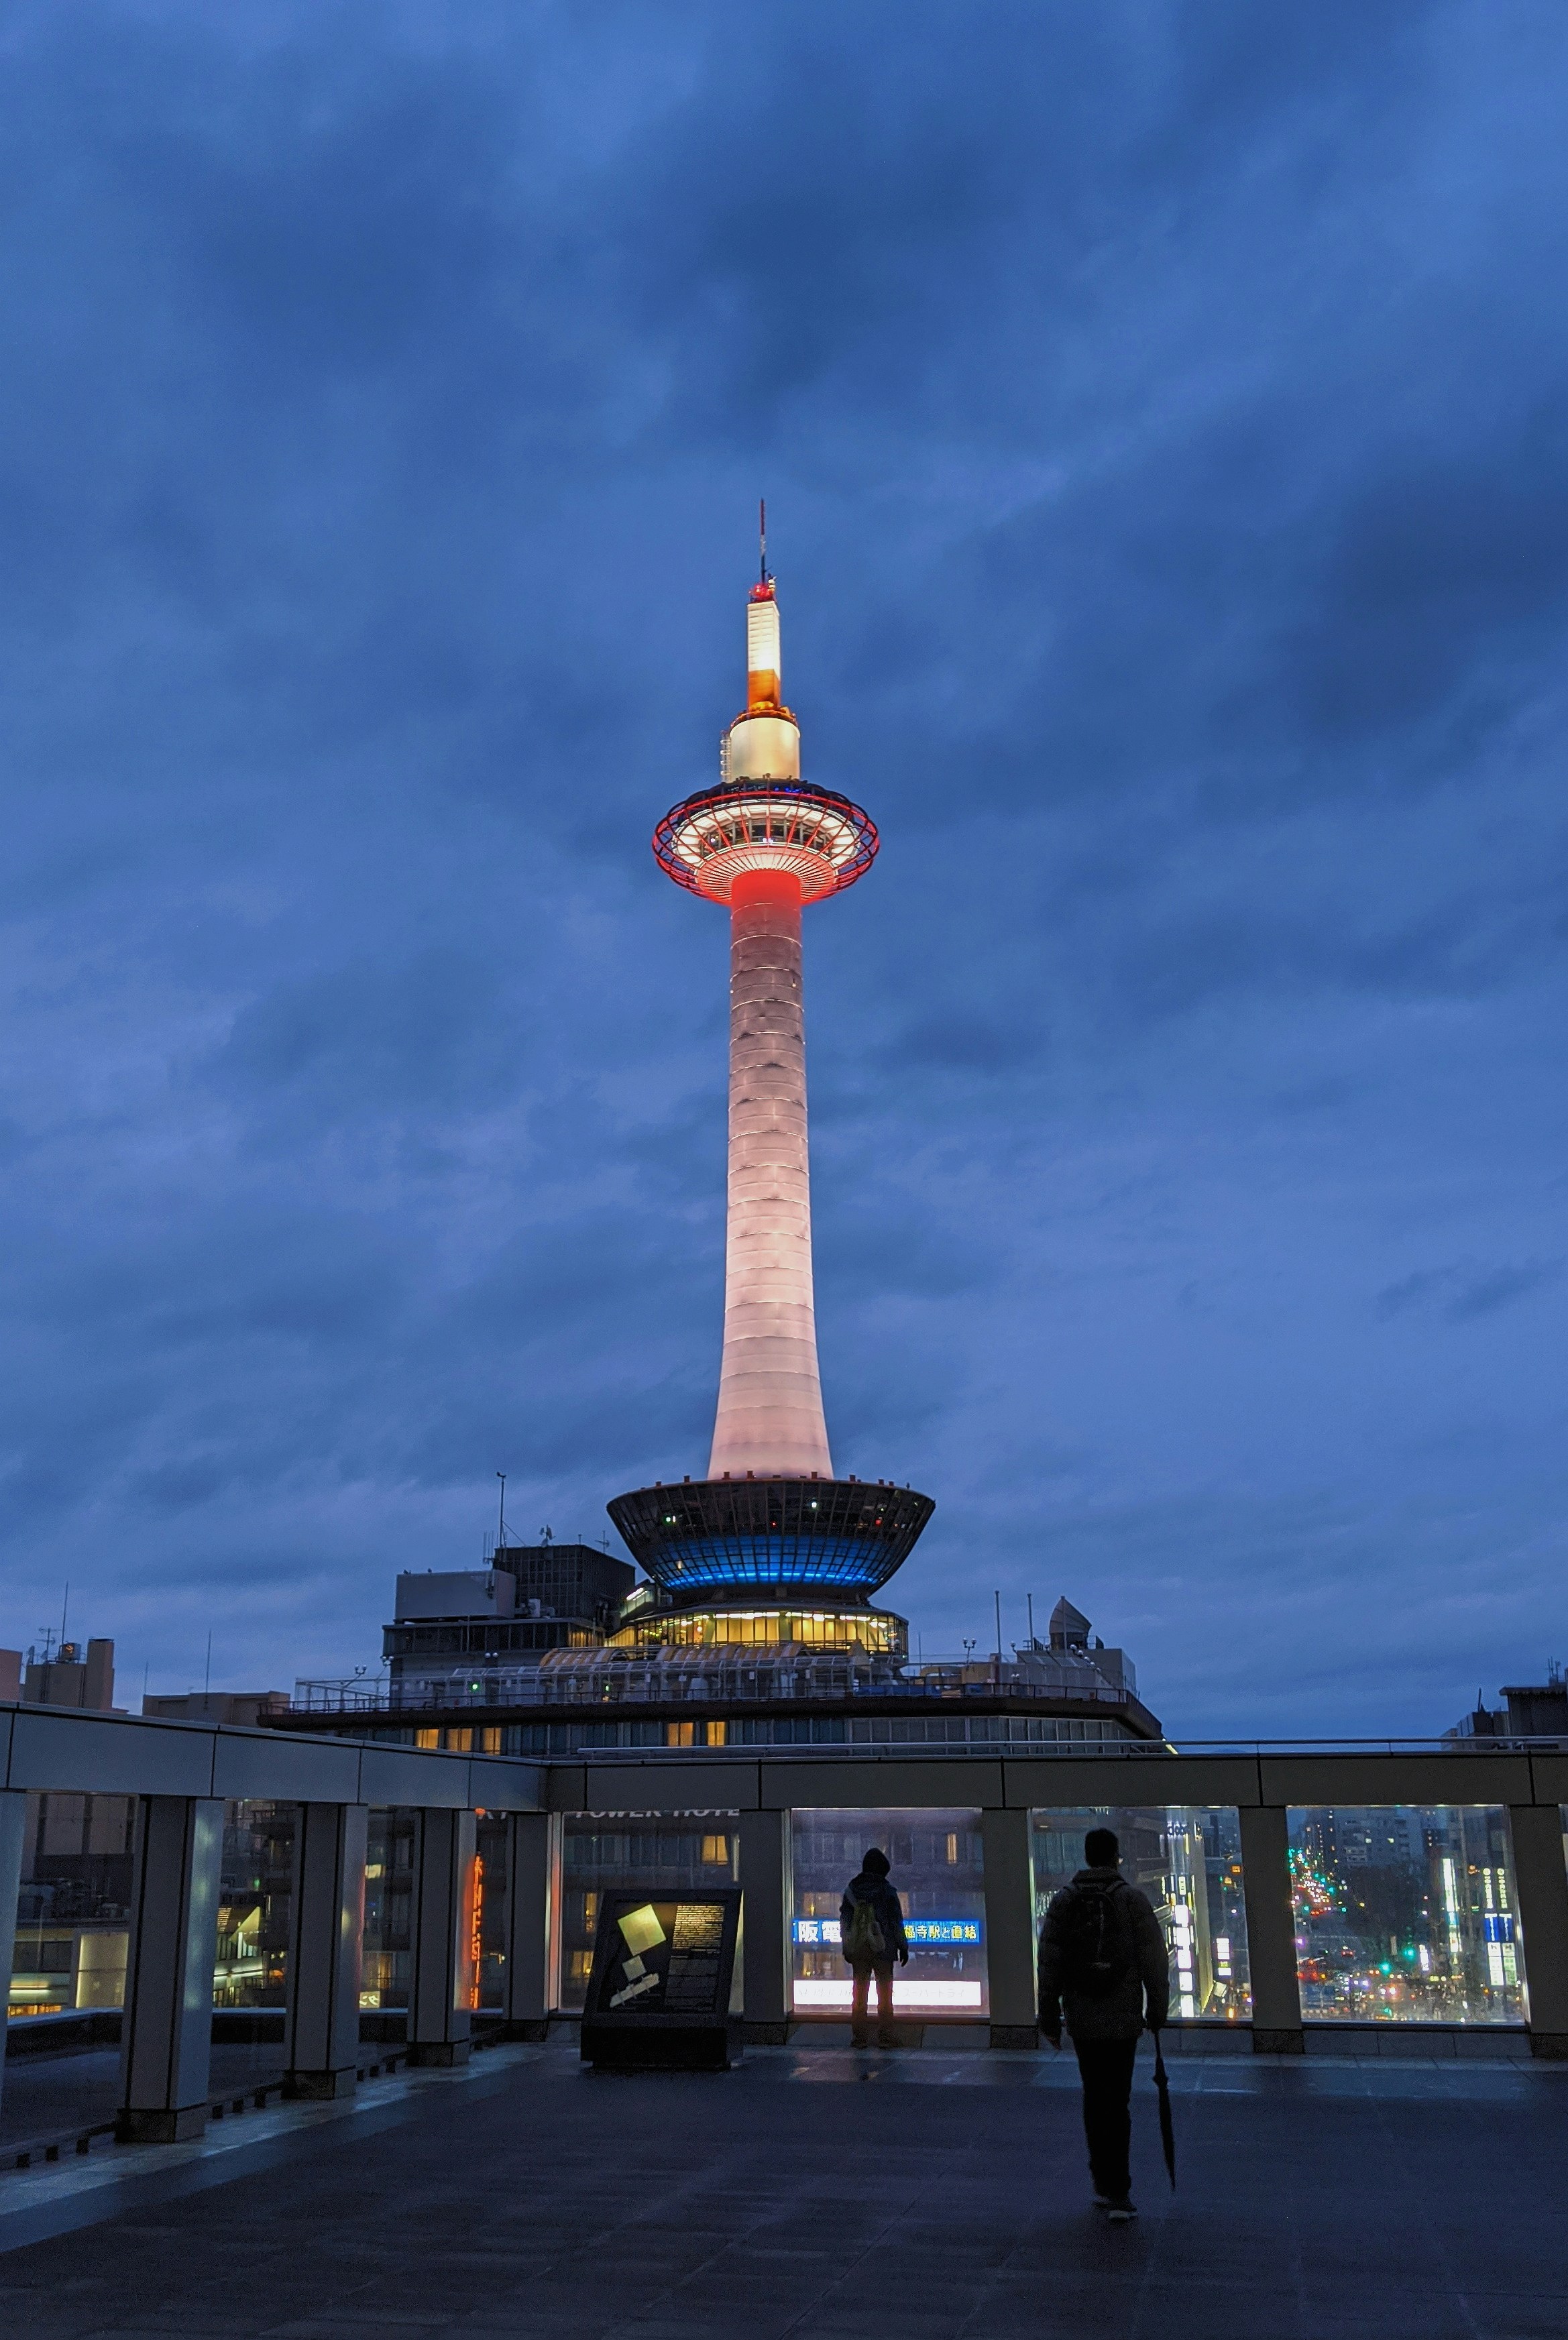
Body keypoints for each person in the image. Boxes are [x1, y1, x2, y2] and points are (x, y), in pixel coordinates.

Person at [1038, 1826, 1170, 2224]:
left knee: (1094, 2095)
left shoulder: (1064, 1902)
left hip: (1081, 2015)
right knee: (1118, 2100)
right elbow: (1154, 1959)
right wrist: (1157, 2009)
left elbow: (1049, 1963)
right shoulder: (1132, 1900)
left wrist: (1048, 2013)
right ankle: (1119, 2191)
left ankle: (1101, 2181)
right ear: (1115, 1857)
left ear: (1085, 1855)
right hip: (1123, 2013)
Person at [840, 1846, 909, 2048]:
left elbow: (845, 1922)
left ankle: (859, 2037)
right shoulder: (887, 1891)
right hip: (883, 1948)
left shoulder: (851, 1891)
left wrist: (847, 1947)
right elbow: (896, 1921)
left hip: (859, 1948)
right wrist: (902, 1947)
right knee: (885, 1993)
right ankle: (886, 2036)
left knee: (859, 1992)